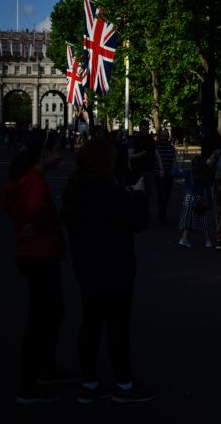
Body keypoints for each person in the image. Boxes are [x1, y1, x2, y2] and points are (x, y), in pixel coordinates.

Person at [60, 139, 154, 404]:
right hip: (115, 269)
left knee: (90, 325)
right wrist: (136, 194)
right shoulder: (110, 192)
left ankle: (89, 382)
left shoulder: (76, 188)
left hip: (86, 268)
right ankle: (124, 383)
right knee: (117, 327)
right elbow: (138, 221)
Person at [2, 129, 76, 405]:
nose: (61, 152)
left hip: (36, 253)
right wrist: (40, 228)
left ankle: (45, 367)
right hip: (39, 255)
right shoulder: (35, 182)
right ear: (44, 153)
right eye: (57, 149)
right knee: (41, 319)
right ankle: (29, 383)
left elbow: (9, 204)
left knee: (51, 312)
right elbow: (34, 208)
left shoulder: (28, 178)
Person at [177, 154, 214, 248]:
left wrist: (178, 165)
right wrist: (209, 202)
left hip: (189, 198)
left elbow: (176, 173)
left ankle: (184, 238)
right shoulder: (205, 175)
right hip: (199, 199)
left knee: (187, 219)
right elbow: (208, 190)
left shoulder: (189, 173)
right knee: (203, 220)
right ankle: (208, 241)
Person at [128, 119, 163, 202]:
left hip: (149, 170)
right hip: (138, 171)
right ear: (140, 128)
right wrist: (141, 154)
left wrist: (161, 168)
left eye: (147, 129)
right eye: (143, 129)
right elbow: (129, 156)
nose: (145, 131)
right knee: (139, 193)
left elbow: (156, 154)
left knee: (149, 192)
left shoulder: (150, 139)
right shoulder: (134, 139)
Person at [155, 129, 176, 225]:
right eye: (162, 136)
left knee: (167, 195)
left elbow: (173, 160)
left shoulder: (171, 148)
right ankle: (162, 216)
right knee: (162, 195)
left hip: (169, 174)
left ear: (168, 137)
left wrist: (174, 171)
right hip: (159, 174)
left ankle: (163, 213)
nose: (164, 138)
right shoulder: (156, 147)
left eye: (166, 136)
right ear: (160, 137)